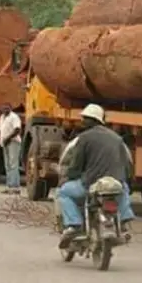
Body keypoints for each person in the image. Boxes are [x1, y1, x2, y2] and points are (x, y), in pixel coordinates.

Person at [57, 104, 135, 248]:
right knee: (123, 188)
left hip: (91, 184)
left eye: (85, 119)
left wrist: (68, 178)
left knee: (63, 193)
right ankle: (124, 222)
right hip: (115, 184)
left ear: (91, 121)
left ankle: (74, 225)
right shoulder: (117, 139)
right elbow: (127, 164)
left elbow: (76, 165)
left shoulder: (84, 138)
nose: (82, 121)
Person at [0, 103, 22, 194]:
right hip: (5, 143)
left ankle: (15, 187)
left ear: (11, 108)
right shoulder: (2, 117)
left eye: (7, 108)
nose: (5, 110)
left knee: (13, 164)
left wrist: (8, 138)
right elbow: (1, 130)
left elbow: (17, 130)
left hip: (13, 142)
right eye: (4, 108)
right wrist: (3, 140)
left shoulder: (14, 117)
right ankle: (9, 186)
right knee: (7, 165)